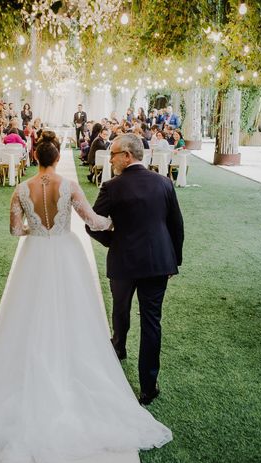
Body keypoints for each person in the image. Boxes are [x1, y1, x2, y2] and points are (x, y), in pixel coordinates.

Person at [0, 130, 171, 463]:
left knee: (27, 313)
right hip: (65, 253)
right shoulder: (69, 187)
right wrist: (123, 224)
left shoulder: (21, 189)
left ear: (36, 158)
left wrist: (35, 231)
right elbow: (94, 220)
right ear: (55, 157)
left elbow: (14, 230)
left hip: (34, 255)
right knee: (74, 314)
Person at [87, 133, 184, 406]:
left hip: (124, 261)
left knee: (121, 309)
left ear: (127, 156)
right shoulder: (165, 183)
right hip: (158, 263)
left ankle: (118, 347)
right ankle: (148, 386)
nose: (112, 159)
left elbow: (92, 224)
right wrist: (173, 261)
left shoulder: (112, 187)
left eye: (114, 154)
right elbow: (176, 226)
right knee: (152, 322)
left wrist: (113, 243)